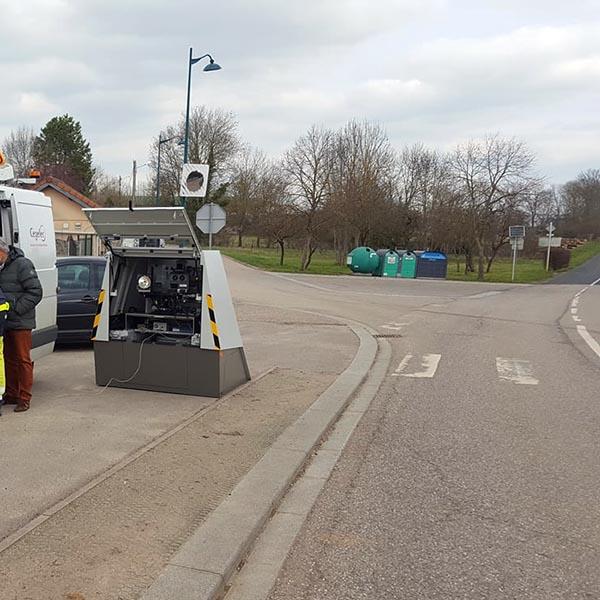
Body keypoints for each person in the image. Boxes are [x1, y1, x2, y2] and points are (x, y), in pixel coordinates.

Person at [0, 239, 43, 413]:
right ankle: (11, 393)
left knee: (22, 359)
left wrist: (17, 309)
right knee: (7, 359)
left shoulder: (22, 265)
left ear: (3, 251)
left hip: (20, 321)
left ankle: (24, 398)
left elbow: (36, 292)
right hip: (4, 320)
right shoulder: (2, 267)